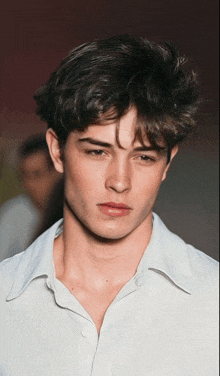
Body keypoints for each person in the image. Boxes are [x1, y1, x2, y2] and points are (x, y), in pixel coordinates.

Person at [0, 35, 218, 375]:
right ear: (57, 151)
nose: (120, 181)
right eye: (97, 151)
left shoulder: (213, 300)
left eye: (144, 156)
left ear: (167, 163)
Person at [0, 134, 62, 262]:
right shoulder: (14, 213)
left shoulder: (77, 213)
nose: (29, 184)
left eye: (37, 175)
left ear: (59, 172)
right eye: (25, 176)